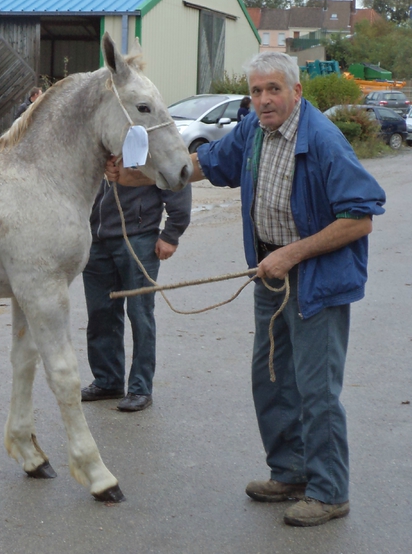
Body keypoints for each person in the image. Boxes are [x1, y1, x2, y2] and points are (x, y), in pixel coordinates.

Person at [182, 51, 385, 527]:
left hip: (316, 280)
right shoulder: (253, 130)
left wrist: (291, 254)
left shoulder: (325, 141)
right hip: (270, 275)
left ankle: (330, 491)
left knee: (316, 391)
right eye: (255, 91)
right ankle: (291, 472)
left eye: (273, 89)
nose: (264, 99)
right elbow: (211, 163)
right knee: (272, 380)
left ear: (297, 91)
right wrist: (147, 172)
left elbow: (359, 219)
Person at [80, 169, 191, 412]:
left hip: (138, 239)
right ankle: (107, 381)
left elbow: (177, 180)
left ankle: (140, 388)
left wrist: (171, 234)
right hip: (95, 241)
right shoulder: (96, 138)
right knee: (100, 313)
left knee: (139, 314)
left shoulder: (148, 140)